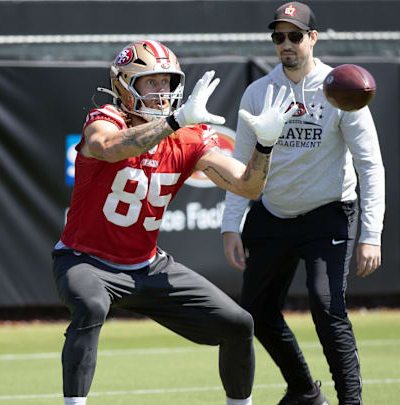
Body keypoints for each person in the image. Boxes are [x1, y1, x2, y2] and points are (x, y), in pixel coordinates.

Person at [52, 39, 298, 405]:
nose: (162, 91)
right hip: (85, 259)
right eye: (151, 82)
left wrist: (265, 145)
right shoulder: (107, 118)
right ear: (124, 85)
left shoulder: (187, 135)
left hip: (147, 266)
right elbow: (108, 147)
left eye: (167, 82)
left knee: (238, 324)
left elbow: (248, 186)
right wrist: (173, 122)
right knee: (90, 305)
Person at [221, 2, 385, 405]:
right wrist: (230, 225)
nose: (286, 44)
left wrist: (372, 234)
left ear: (313, 37)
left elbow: (370, 165)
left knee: (327, 307)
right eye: (279, 37)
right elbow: (240, 165)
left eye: (295, 35)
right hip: (272, 212)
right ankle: (304, 392)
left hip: (326, 212)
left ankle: (351, 402)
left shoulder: (341, 86)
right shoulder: (258, 92)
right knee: (255, 313)